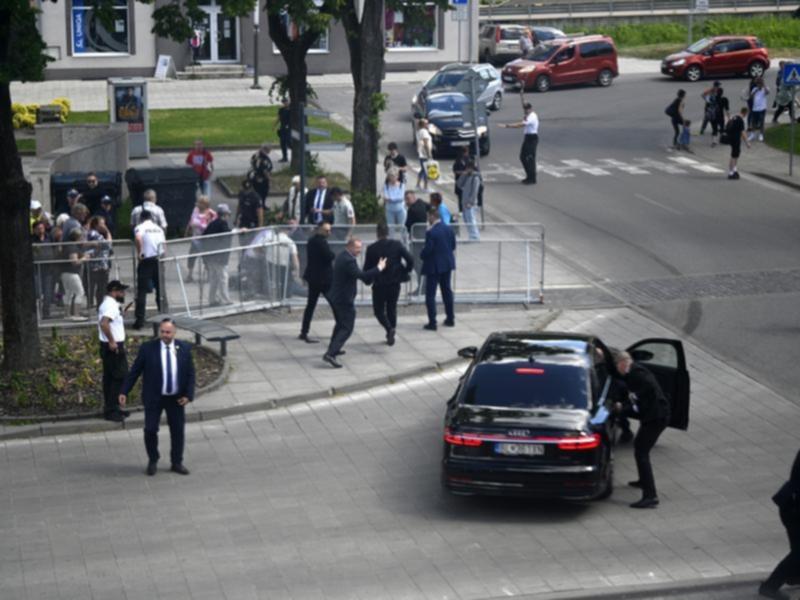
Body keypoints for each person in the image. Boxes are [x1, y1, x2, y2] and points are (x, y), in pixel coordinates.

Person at [120, 318, 196, 476]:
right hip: (154, 397)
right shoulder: (148, 349)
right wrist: (124, 391)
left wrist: (188, 395)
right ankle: (153, 459)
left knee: (177, 431)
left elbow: (190, 374)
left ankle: (177, 462)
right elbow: (135, 371)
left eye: (168, 332)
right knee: (150, 430)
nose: (165, 335)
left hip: (176, 398)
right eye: (162, 332)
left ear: (174, 332)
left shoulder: (184, 348)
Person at [613, 351, 670, 509]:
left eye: (617, 366)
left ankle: (650, 496)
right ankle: (642, 481)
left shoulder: (637, 377)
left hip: (656, 418)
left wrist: (621, 409)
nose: (617, 370)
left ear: (623, 363)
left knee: (641, 452)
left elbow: (638, 401)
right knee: (639, 448)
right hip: (653, 416)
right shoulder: (636, 372)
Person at [323, 238, 386, 368]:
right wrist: (379, 268)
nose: (360, 250)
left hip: (337, 297)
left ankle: (334, 347)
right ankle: (330, 353)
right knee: (347, 327)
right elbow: (362, 275)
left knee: (340, 324)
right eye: (357, 248)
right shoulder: (348, 261)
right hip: (343, 299)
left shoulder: (344, 256)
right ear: (350, 247)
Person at [759, 448, 800, 600]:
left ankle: (794, 575)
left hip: (791, 504)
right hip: (794, 507)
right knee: (799, 552)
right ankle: (770, 586)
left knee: (797, 548)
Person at [364, 223, 414, 346]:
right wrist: (405, 270)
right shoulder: (396, 245)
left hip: (380, 283)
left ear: (377, 233)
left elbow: (367, 268)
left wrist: (368, 279)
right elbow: (410, 259)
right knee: (392, 308)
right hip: (394, 282)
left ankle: (388, 328)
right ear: (387, 233)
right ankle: (391, 331)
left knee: (379, 310)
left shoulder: (372, 249)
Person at [98, 280, 132, 422]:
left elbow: (110, 320)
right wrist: (112, 341)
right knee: (120, 376)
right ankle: (111, 410)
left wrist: (121, 313)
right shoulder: (111, 305)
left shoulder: (110, 304)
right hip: (113, 346)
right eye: (121, 291)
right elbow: (104, 323)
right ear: (114, 291)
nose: (123, 294)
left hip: (108, 345)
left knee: (110, 377)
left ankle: (113, 407)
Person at [421, 207, 456, 331]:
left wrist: (422, 255)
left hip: (434, 266)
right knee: (447, 291)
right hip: (447, 264)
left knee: (430, 294)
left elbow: (428, 250)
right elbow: (453, 246)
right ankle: (450, 318)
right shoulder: (448, 229)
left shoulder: (431, 232)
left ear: (431, 216)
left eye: (428, 217)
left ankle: (432, 322)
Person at [299, 221, 335, 343]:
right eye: (326, 230)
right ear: (319, 229)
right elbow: (329, 256)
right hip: (323, 279)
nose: (329, 233)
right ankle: (341, 327)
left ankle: (304, 331)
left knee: (310, 305)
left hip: (314, 278)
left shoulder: (311, 241)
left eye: (329, 230)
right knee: (334, 303)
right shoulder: (321, 242)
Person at [133, 209, 166, 330]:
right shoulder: (158, 228)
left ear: (141, 218)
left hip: (146, 260)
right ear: (151, 218)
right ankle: (165, 316)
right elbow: (164, 245)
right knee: (160, 290)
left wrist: (140, 252)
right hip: (158, 259)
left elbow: (137, 238)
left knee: (142, 291)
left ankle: (140, 320)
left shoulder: (140, 227)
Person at [500, 99, 539, 184]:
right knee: (522, 157)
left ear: (531, 108)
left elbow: (520, 125)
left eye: (527, 109)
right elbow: (523, 105)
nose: (526, 110)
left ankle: (532, 178)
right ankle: (529, 176)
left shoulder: (532, 116)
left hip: (532, 138)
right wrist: (521, 96)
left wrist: (507, 126)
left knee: (529, 158)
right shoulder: (528, 115)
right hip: (527, 138)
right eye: (525, 109)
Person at [202, 204, 233, 307]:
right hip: (220, 257)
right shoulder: (223, 224)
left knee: (214, 279)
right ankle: (225, 299)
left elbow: (204, 238)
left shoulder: (212, 224)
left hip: (210, 256)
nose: (229, 216)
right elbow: (226, 236)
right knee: (223, 278)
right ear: (224, 215)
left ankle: (212, 299)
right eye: (228, 214)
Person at [184, 195, 217, 283]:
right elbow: (191, 221)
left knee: (206, 258)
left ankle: (209, 276)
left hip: (206, 240)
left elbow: (211, 227)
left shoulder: (211, 213)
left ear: (204, 204)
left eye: (199, 202)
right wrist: (187, 230)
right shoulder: (196, 210)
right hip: (195, 239)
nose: (197, 204)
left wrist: (199, 225)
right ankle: (190, 275)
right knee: (191, 257)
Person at [405, 191, 429, 295]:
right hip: (422, 235)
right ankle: (423, 286)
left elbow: (407, 224)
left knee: (417, 262)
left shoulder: (413, 210)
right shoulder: (422, 203)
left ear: (413, 197)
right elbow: (431, 207)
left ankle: (422, 287)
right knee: (419, 263)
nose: (406, 201)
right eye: (406, 199)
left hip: (417, 237)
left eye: (408, 199)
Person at [85, 216, 113, 308]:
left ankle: (98, 304)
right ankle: (94, 304)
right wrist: (108, 231)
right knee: (97, 286)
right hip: (97, 265)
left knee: (101, 287)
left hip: (102, 264)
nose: (104, 225)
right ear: (97, 224)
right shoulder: (94, 234)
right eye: (102, 223)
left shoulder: (97, 234)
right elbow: (108, 245)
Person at [31, 221, 55, 319]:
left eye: (42, 228)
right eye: (38, 228)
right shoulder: (31, 239)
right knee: (37, 291)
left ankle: (46, 312)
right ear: (34, 230)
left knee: (47, 291)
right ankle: (37, 312)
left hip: (48, 268)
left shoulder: (49, 238)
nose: (41, 230)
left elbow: (54, 248)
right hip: (36, 268)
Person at [457, 159, 482, 241]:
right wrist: (463, 175)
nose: (467, 170)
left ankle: (474, 236)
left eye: (468, 168)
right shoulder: (467, 176)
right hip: (464, 201)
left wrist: (471, 202)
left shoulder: (475, 178)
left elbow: (474, 192)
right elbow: (459, 184)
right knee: (466, 219)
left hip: (470, 203)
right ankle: (472, 235)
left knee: (471, 219)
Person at [724, 107, 750, 180]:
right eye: (746, 114)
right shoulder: (740, 120)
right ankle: (731, 172)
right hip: (735, 139)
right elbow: (743, 132)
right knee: (733, 155)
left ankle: (734, 169)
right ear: (745, 113)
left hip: (731, 138)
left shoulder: (734, 117)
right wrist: (747, 143)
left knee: (735, 154)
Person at [748, 78, 770, 142]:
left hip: (762, 109)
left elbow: (767, 92)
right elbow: (751, 97)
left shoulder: (765, 89)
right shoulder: (754, 89)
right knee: (753, 122)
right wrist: (755, 91)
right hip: (755, 108)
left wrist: (764, 85)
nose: (759, 85)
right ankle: (752, 134)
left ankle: (761, 134)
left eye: (760, 84)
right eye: (758, 84)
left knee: (761, 122)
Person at [415, 119, 433, 191]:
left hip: (421, 153)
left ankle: (418, 184)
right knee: (426, 170)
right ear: (423, 125)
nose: (428, 125)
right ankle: (425, 187)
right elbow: (426, 143)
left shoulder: (419, 131)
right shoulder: (424, 132)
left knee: (423, 169)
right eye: (427, 123)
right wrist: (429, 154)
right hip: (425, 154)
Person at [452, 146, 470, 212]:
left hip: (466, 181)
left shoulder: (468, 159)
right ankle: (461, 210)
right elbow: (455, 171)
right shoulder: (458, 160)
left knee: (464, 196)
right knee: (460, 196)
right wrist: (463, 173)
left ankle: (464, 209)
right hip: (460, 181)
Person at [276, 97, 291, 162]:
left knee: (289, 142)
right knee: (282, 143)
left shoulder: (291, 110)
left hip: (289, 128)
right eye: (283, 102)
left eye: (286, 101)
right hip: (282, 128)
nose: (285, 103)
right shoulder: (281, 110)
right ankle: (284, 157)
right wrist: (275, 125)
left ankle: (297, 154)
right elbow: (279, 118)